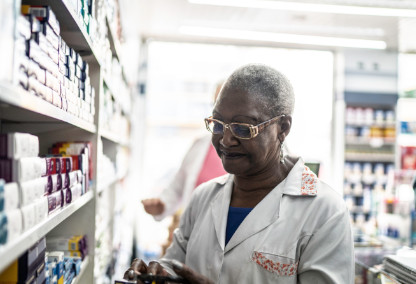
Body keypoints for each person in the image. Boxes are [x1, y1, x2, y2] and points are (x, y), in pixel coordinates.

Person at [125, 64, 354, 283]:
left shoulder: (325, 212)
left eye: (243, 128)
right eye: (217, 124)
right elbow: (176, 264)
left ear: (282, 128)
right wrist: (156, 273)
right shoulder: (203, 198)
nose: (225, 140)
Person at [141, 83, 226, 221]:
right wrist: (162, 205)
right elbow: (178, 185)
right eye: (216, 105)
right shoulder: (200, 145)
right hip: (193, 231)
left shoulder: (249, 152)